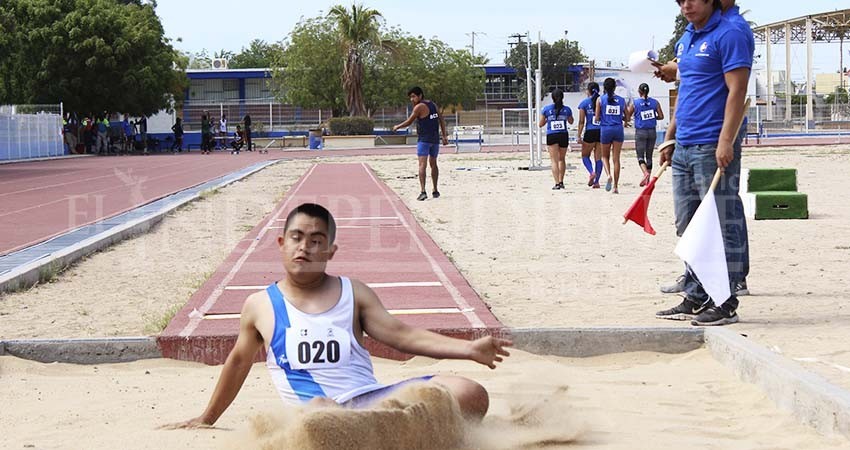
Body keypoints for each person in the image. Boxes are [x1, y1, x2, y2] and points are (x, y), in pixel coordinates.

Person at [163, 203, 512, 429]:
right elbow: (237, 364)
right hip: (318, 413)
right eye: (297, 238)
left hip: (374, 403)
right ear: (281, 243)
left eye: (317, 240)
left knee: (470, 392)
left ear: (331, 250)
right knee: (320, 412)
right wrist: (207, 418)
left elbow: (402, 335)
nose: (305, 247)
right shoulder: (260, 306)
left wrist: (467, 350)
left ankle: (386, 432)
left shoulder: (353, 292)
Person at [655, 0, 753, 326]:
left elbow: (737, 91)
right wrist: (670, 135)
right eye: (680, 0)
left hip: (711, 144)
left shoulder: (731, 33)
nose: (686, 5)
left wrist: (726, 140)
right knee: (689, 225)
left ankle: (726, 301)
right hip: (684, 145)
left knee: (722, 223)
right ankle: (696, 295)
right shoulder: (687, 37)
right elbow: (686, 90)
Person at [392, 86, 449, 201]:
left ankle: (423, 191)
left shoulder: (419, 107)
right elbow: (441, 120)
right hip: (435, 140)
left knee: (422, 165)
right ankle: (435, 190)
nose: (412, 99)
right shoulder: (433, 104)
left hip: (424, 140)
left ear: (420, 96)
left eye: (413, 96)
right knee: (433, 164)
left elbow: (409, 121)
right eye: (410, 97)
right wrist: (444, 136)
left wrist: (398, 126)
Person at [595, 78, 630, 194]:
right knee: (616, 159)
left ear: (604, 88)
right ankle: (615, 186)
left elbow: (596, 117)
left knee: (604, 156)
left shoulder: (600, 100)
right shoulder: (621, 100)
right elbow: (628, 117)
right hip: (618, 129)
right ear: (615, 88)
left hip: (606, 129)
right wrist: (622, 118)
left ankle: (608, 175)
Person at [626, 83, 664, 187]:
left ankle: (645, 173)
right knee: (649, 156)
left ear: (639, 92)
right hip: (652, 131)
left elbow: (627, 115)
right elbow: (661, 116)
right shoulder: (655, 102)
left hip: (640, 131)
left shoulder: (635, 103)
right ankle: (648, 180)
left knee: (640, 155)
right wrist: (652, 117)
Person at [538, 88, 574, 190]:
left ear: (552, 98)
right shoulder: (567, 109)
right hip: (563, 135)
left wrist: (548, 119)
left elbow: (540, 124)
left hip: (552, 135)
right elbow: (571, 121)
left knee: (553, 160)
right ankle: (561, 181)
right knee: (561, 159)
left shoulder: (546, 109)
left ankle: (557, 183)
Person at [577, 82, 604, 189]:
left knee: (585, 155)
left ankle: (591, 171)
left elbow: (581, 121)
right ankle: (597, 181)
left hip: (590, 131)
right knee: (598, 158)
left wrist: (579, 135)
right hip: (601, 131)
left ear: (588, 91)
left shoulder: (584, 103)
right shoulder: (603, 101)